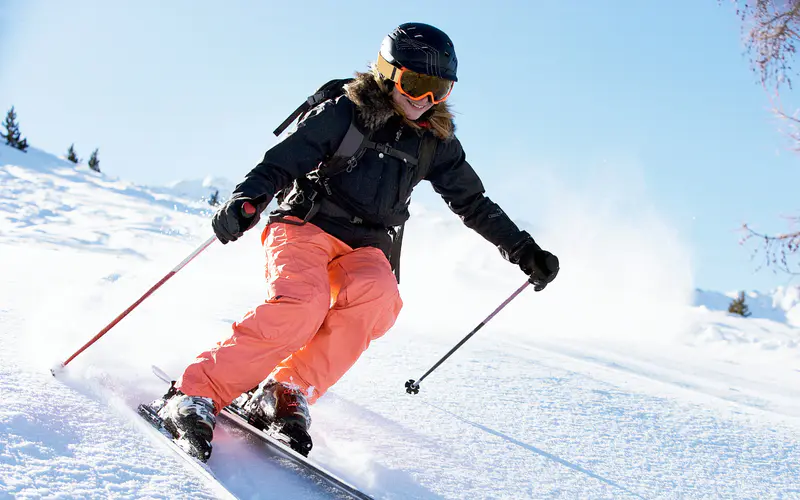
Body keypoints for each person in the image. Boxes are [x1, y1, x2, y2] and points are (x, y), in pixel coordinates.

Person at [155, 22, 560, 461]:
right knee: (304, 305)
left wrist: (522, 250)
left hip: (366, 245)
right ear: (389, 73)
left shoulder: (435, 141)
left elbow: (473, 202)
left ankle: (284, 391)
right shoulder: (346, 112)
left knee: (379, 298)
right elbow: (283, 160)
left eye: (438, 90)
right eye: (415, 83)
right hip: (306, 225)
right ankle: (196, 392)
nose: (423, 100)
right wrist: (247, 199)